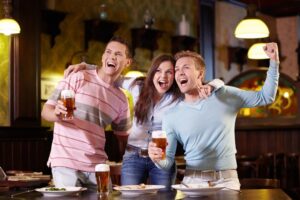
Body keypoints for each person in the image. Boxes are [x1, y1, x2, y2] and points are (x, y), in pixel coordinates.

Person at [65, 54, 224, 190]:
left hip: (162, 159)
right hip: (134, 156)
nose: (163, 76)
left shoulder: (179, 96)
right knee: (130, 198)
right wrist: (86, 66)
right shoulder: (137, 86)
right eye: (159, 71)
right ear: (152, 73)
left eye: (169, 72)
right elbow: (109, 74)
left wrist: (210, 86)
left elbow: (219, 82)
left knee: (164, 198)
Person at [148, 42, 280, 190]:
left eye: (186, 67)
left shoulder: (224, 95)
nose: (180, 73)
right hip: (192, 182)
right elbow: (167, 163)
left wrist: (274, 62)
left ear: (200, 73)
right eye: (177, 69)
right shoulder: (171, 116)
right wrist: (157, 158)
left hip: (226, 181)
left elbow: (266, 97)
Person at [41, 36, 132, 190]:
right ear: (103, 57)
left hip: (98, 166)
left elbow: (123, 137)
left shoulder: (121, 99)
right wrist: (57, 113)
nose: (111, 57)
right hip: (66, 162)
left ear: (127, 62)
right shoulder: (78, 77)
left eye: (118, 54)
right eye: (108, 52)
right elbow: (46, 111)